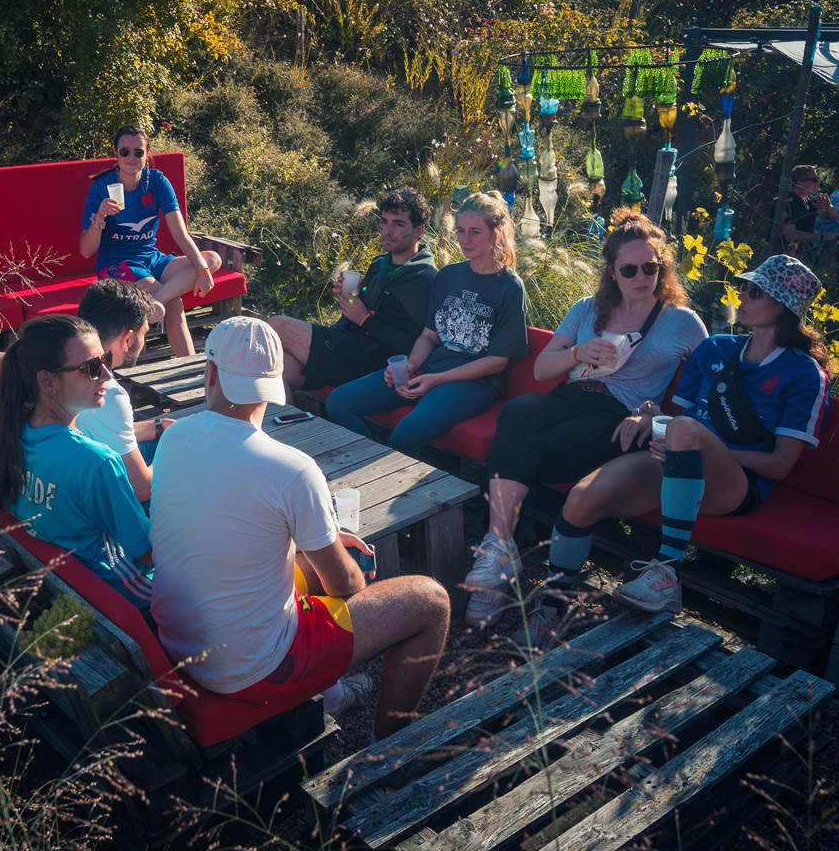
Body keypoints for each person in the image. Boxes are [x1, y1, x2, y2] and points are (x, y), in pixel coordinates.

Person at [149, 318, 450, 736]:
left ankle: (339, 693)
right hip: (254, 669)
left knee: (303, 566)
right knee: (430, 601)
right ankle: (391, 745)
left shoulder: (173, 438)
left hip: (180, 642)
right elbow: (345, 585)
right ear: (273, 381)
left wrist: (312, 538)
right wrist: (331, 551)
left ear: (211, 373)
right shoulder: (291, 469)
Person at [514, 255, 830, 648]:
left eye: (755, 290)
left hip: (733, 484)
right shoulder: (715, 349)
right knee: (581, 499)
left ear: (783, 307)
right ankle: (552, 610)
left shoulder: (804, 373)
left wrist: (690, 442)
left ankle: (666, 573)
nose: (743, 294)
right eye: (745, 286)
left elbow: (780, 466)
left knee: (683, 430)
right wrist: (650, 417)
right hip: (675, 463)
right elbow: (676, 418)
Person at [463, 209, 707, 629]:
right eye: (628, 269)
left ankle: (499, 555)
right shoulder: (587, 310)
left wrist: (657, 415)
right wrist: (578, 353)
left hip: (619, 415)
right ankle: (500, 544)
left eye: (650, 267)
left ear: (661, 267)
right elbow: (542, 370)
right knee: (519, 411)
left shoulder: (682, 323)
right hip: (570, 393)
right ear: (612, 272)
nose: (640, 276)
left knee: (537, 447)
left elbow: (705, 389)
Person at [0, 315, 154, 609]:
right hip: (123, 596)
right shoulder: (98, 463)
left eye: (106, 360)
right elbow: (146, 553)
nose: (107, 376)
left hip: (60, 583)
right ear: (48, 381)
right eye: (92, 367)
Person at [325, 191, 530, 455]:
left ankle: (388, 478)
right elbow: (428, 336)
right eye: (460, 231)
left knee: (406, 434)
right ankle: (370, 465)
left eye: (475, 232)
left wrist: (436, 379)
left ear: (496, 233)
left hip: (474, 383)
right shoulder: (449, 276)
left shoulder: (509, 287)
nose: (465, 240)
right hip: (430, 368)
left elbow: (497, 361)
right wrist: (411, 365)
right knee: (339, 402)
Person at [270, 188, 438, 395]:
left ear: (419, 230)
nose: (387, 231)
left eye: (398, 224)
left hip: (374, 363)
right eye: (384, 222)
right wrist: (358, 291)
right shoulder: (380, 264)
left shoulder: (425, 279)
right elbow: (374, 303)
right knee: (275, 370)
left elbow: (416, 344)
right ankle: (293, 428)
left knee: (276, 325)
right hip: (348, 344)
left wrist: (365, 320)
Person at [80, 125, 224, 359]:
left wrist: (204, 271)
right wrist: (100, 217)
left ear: (148, 155)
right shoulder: (101, 187)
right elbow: (86, 251)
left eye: (138, 152)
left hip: (150, 257)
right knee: (175, 305)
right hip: (117, 262)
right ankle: (192, 374)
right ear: (116, 154)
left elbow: (180, 232)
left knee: (212, 259)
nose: (131, 158)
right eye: (125, 152)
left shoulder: (156, 181)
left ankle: (153, 304)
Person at [73, 278, 173, 502]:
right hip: (93, 501)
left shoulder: (61, 369)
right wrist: (172, 451)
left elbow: (95, 426)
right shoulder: (108, 393)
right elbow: (142, 490)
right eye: (144, 332)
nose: (144, 339)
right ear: (127, 339)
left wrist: (156, 427)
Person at [780, 166, 839, 248]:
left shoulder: (810, 200)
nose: (818, 183)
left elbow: (834, 217)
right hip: (783, 254)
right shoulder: (786, 203)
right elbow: (790, 235)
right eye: (814, 180)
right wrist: (823, 237)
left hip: (804, 252)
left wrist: (828, 207)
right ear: (799, 182)